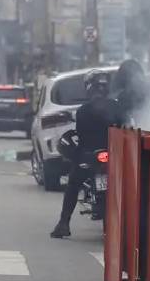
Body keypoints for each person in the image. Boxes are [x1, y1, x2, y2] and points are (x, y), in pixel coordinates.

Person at [50, 70, 127, 239]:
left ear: (89, 88)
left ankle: (63, 223)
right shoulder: (116, 107)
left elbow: (81, 135)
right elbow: (124, 129)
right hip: (114, 156)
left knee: (73, 185)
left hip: (90, 157)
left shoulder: (84, 110)